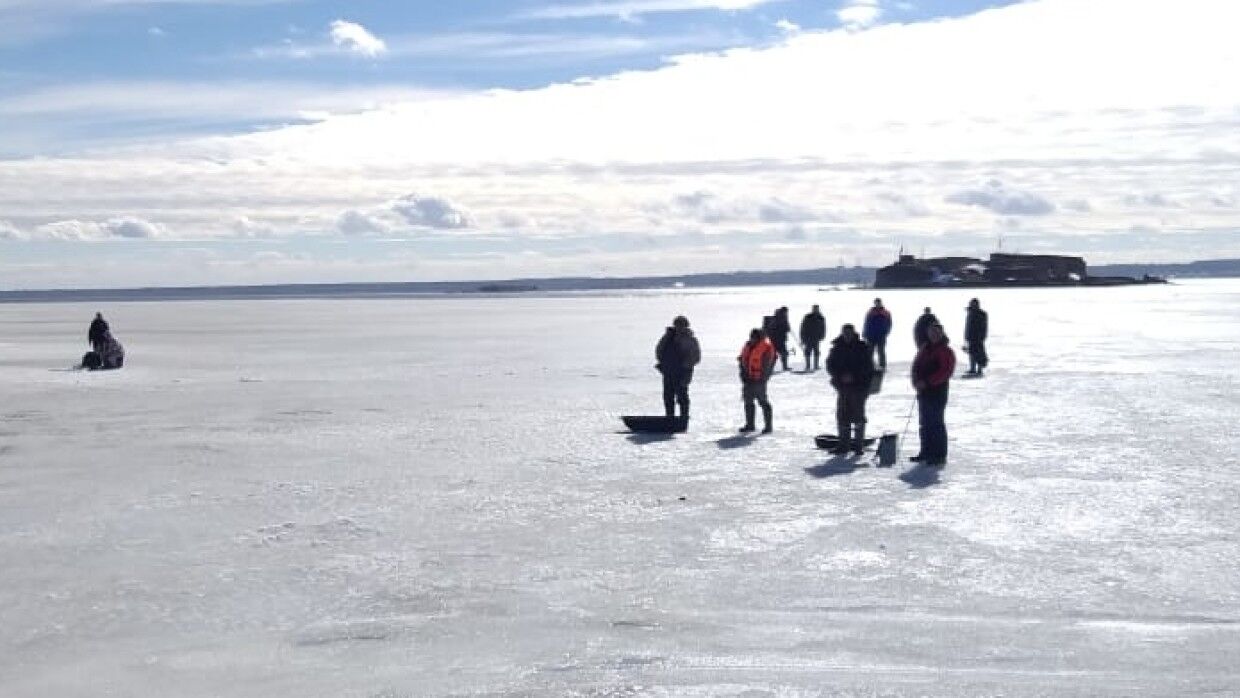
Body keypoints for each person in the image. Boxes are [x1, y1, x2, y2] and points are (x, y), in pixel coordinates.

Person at [825, 324, 875, 455]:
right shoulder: (837, 348)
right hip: (842, 387)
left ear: (854, 333)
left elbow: (868, 367)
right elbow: (830, 365)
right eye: (845, 333)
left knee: (858, 416)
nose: (847, 335)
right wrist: (840, 376)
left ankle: (859, 446)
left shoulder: (862, 347)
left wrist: (853, 376)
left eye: (849, 333)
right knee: (842, 415)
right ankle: (843, 445)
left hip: (859, 387)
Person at [910, 322, 956, 466]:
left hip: (937, 391)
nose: (934, 335)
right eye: (931, 332)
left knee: (936, 423)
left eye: (936, 332)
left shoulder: (945, 350)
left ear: (941, 333)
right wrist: (916, 382)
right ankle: (926, 452)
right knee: (924, 423)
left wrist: (928, 382)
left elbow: (945, 372)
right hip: (923, 391)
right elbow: (915, 366)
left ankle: (939, 455)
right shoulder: (924, 348)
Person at [655, 316, 701, 420]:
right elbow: (659, 350)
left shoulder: (690, 340)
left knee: (682, 396)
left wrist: (685, 366)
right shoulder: (667, 337)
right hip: (668, 371)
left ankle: (684, 418)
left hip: (683, 372)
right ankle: (669, 418)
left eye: (682, 325)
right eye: (677, 325)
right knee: (668, 396)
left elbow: (696, 356)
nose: (679, 327)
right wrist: (663, 363)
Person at [737, 328, 776, 433]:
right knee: (748, 401)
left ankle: (768, 426)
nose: (752, 339)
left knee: (763, 402)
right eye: (751, 337)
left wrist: (763, 378)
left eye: (754, 337)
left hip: (759, 380)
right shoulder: (748, 346)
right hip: (748, 379)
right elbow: (742, 360)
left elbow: (768, 365)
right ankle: (750, 425)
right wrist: (743, 374)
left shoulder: (766, 347)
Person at [862, 298, 893, 371]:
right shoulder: (870, 312)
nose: (877, 304)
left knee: (881, 352)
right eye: (876, 303)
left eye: (878, 303)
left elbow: (889, 323)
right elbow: (866, 323)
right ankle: (869, 365)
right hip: (871, 335)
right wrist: (865, 333)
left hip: (881, 335)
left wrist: (886, 332)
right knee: (870, 352)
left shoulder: (886, 312)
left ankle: (882, 366)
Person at [963, 298, 989, 376]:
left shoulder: (982, 314)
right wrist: (966, 336)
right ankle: (972, 368)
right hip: (971, 336)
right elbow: (968, 326)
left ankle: (979, 369)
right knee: (971, 353)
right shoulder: (970, 313)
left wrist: (982, 336)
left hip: (979, 337)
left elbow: (984, 326)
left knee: (979, 354)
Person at [799, 305, 826, 371]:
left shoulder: (821, 317)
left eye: (816, 309)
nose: (815, 310)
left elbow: (823, 328)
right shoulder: (807, 317)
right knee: (808, 351)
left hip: (816, 337)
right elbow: (803, 327)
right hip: (808, 337)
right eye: (814, 309)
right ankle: (808, 365)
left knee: (816, 351)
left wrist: (822, 335)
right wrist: (802, 337)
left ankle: (816, 365)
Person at [767, 306, 793, 371]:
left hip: (777, 339)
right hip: (777, 339)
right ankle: (784, 367)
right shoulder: (779, 318)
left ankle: (771, 368)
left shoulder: (780, 318)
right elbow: (781, 329)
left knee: (778, 354)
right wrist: (786, 327)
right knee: (779, 354)